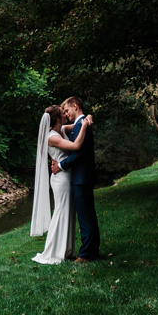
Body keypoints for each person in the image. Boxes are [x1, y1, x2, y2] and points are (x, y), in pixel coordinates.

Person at [31, 104, 93, 264]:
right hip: (61, 179)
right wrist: (85, 127)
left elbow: (79, 122)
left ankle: (66, 250)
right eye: (62, 113)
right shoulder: (52, 136)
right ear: (57, 118)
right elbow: (76, 146)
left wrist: (87, 119)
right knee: (61, 212)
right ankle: (53, 251)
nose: (66, 114)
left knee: (69, 212)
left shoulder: (62, 130)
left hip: (67, 176)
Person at [50, 96, 100, 261]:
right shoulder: (79, 125)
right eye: (63, 112)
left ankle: (86, 254)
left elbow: (79, 152)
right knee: (87, 216)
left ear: (75, 106)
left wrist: (61, 165)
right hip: (79, 178)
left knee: (86, 217)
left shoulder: (81, 124)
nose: (66, 114)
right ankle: (90, 250)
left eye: (67, 110)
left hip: (81, 178)